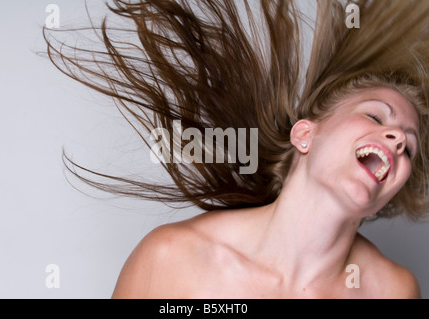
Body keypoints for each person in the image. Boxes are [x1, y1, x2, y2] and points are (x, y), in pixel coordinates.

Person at [44, 0, 429, 298]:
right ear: (305, 135)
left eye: (409, 147)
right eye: (376, 118)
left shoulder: (391, 289)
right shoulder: (173, 258)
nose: (397, 139)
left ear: (383, 201)